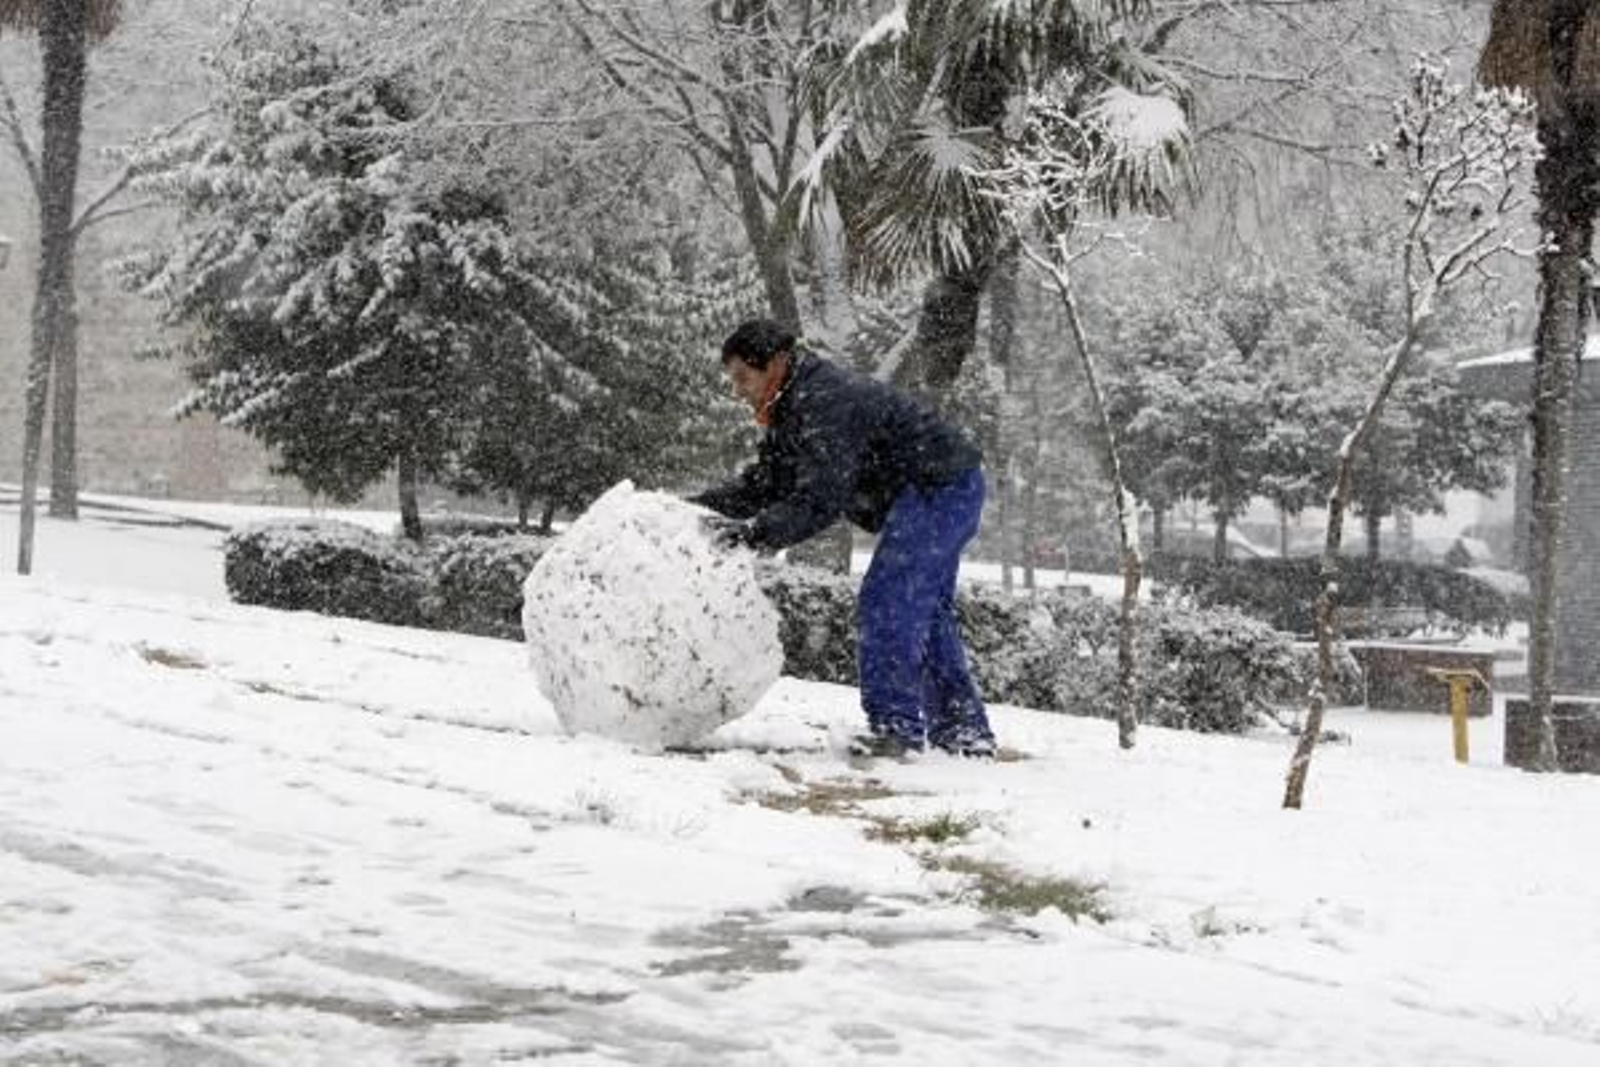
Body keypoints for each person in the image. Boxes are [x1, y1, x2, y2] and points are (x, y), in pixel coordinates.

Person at [691, 319, 996, 759]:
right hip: (942, 487)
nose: (737, 389)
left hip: (939, 486)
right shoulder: (793, 407)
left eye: (743, 377)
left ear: (774, 363)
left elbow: (821, 497)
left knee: (888, 599)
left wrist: (756, 534)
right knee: (926, 612)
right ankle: (964, 733)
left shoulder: (824, 402)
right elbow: (766, 483)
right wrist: (694, 509)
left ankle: (896, 730)